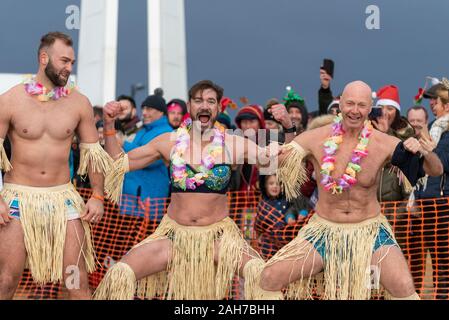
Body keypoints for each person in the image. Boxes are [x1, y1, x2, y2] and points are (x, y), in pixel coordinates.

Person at [94, 80, 283, 300]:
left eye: (211, 101)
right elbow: (119, 161)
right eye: (198, 100)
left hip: (219, 240)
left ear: (218, 108)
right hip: (174, 238)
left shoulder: (233, 144)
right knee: (119, 274)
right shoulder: (169, 142)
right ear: (189, 106)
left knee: (264, 278)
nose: (204, 106)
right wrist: (108, 124)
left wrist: (286, 127)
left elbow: (273, 161)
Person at [259, 80, 443, 300]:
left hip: (370, 232)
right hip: (323, 232)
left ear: (370, 109)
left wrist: (424, 150)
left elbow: (436, 170)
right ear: (341, 103)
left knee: (403, 286)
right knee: (269, 277)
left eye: (362, 105)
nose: (355, 111)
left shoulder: (383, 143)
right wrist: (285, 130)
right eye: (350, 103)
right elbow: (274, 163)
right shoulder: (317, 137)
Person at [0, 32, 111, 299]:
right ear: (43, 57)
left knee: (76, 280)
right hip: (17, 199)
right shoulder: (11, 99)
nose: (69, 68)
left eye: (72, 62)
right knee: (6, 279)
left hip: (64, 200)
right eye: (64, 61)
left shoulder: (79, 103)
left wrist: (97, 195)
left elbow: (93, 153)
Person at [412, 78, 449, 299]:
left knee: (444, 264)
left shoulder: (444, 133)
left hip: (443, 204)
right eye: (431, 101)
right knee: (437, 262)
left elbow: (442, 164)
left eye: (436, 101)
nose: (432, 104)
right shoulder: (437, 130)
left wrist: (427, 148)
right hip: (430, 203)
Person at [117, 90, 173, 220]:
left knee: (146, 240)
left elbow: (153, 160)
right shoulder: (142, 130)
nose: (144, 113)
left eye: (148, 109)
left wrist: (123, 143)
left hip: (147, 201)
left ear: (160, 112)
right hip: (131, 199)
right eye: (143, 109)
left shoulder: (166, 132)